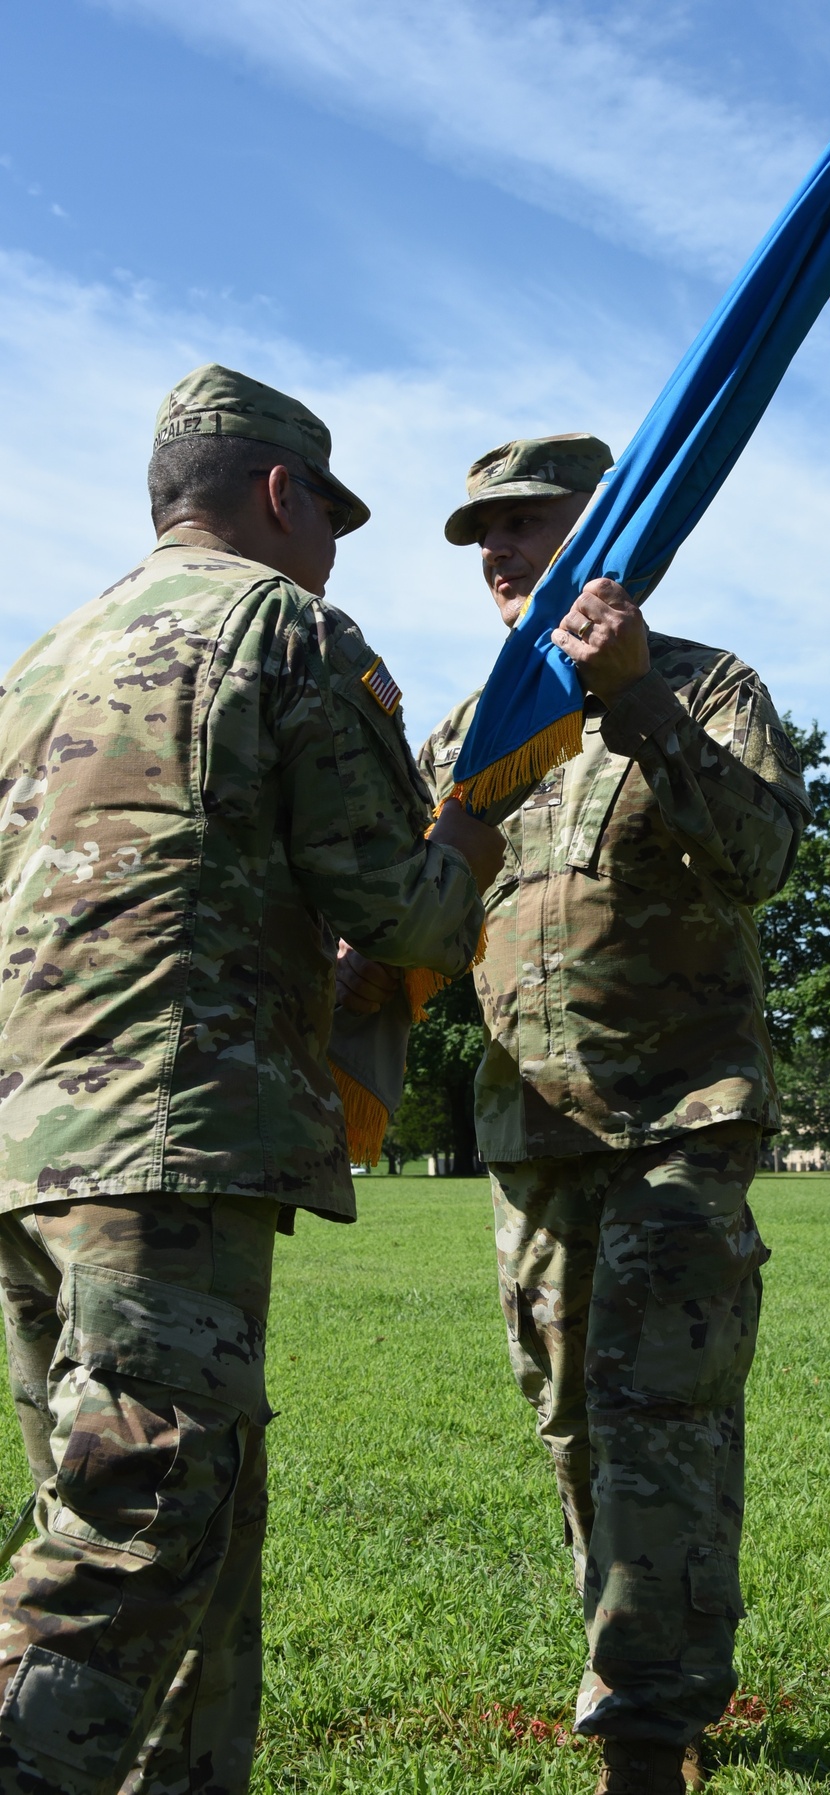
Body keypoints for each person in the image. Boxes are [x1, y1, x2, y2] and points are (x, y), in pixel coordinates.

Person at [0, 364, 502, 1795]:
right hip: (170, 1136)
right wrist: (462, 845)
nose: (334, 546)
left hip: (31, 1145)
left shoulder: (42, 657)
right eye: (328, 513)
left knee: (174, 1518)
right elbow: (396, 907)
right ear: (280, 495)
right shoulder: (285, 628)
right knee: (143, 1519)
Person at [343, 433, 810, 1795]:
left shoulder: (705, 684)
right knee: (579, 1429)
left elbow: (766, 857)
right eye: (479, 534)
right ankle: (650, 1667)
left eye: (521, 524)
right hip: (526, 1134)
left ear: (605, 526)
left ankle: (645, 1731)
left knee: (663, 1416)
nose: (494, 553)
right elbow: (414, 914)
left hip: (676, 1121)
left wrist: (638, 708)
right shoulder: (472, 734)